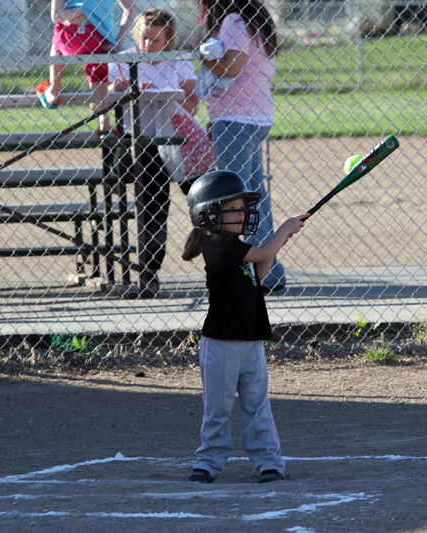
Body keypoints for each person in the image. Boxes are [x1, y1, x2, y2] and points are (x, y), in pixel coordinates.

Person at [181, 170, 307, 484]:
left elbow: (256, 276)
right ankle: (208, 462)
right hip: (221, 343)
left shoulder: (236, 247)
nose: (242, 214)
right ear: (209, 213)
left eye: (242, 208)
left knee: (257, 405)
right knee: (218, 408)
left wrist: (281, 240)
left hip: (251, 341)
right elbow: (263, 253)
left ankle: (268, 462)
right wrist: (283, 230)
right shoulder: (218, 244)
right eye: (233, 208)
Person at [107, 8, 214, 297]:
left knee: (203, 198)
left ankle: (218, 260)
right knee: (153, 208)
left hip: (178, 141)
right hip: (141, 144)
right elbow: (101, 103)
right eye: (144, 38)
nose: (147, 45)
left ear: (168, 41)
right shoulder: (125, 60)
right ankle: (149, 272)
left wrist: (163, 92)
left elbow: (192, 103)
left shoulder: (175, 60)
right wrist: (118, 90)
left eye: (155, 40)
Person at [194, 0, 285, 294]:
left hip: (236, 119)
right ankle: (269, 272)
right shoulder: (252, 19)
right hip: (252, 117)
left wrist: (202, 55)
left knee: (233, 202)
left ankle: (242, 270)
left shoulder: (234, 20)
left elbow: (232, 67)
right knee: (252, 195)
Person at [36, 0, 137, 136]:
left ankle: (54, 89)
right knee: (99, 71)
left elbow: (56, 16)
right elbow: (132, 9)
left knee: (57, 40)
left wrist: (82, 10)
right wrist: (118, 43)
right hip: (98, 37)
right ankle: (104, 122)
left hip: (69, 36)